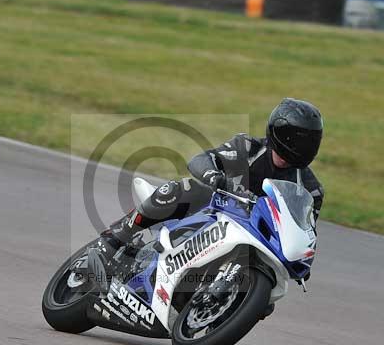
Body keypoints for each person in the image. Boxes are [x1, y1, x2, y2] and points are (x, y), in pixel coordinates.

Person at [97, 98, 325, 277]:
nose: (297, 148)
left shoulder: (311, 190)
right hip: (213, 214)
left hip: (256, 237)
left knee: (269, 295)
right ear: (278, 133)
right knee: (186, 189)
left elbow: (306, 232)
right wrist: (214, 177)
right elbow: (200, 160)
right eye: (294, 140)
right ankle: (117, 236)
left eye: (306, 143)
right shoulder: (249, 148)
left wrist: (302, 260)